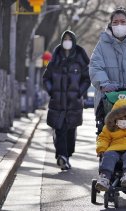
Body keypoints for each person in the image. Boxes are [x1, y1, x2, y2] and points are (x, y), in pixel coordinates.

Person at [43, 30, 91, 170]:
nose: (67, 41)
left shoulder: (80, 60)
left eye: (70, 39)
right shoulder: (56, 58)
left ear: (74, 41)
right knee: (60, 129)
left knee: (70, 132)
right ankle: (62, 156)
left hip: (73, 103)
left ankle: (67, 155)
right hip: (57, 102)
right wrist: (52, 91)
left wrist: (79, 92)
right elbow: (46, 78)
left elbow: (86, 79)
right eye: (65, 38)